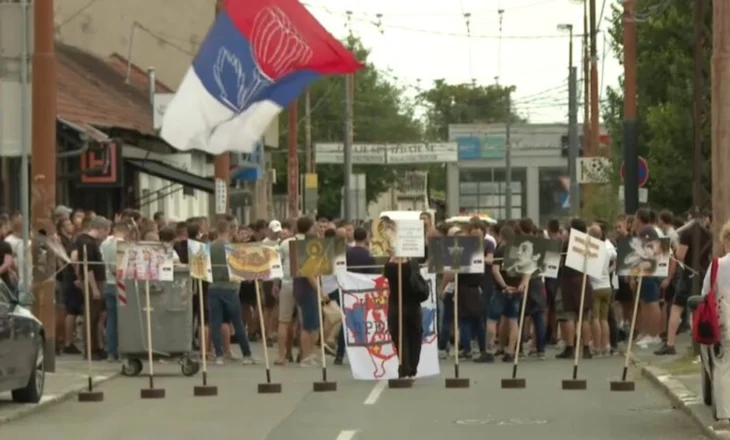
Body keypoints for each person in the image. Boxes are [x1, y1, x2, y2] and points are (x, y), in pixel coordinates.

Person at [208, 219, 256, 365]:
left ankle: (219, 355)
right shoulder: (233, 248)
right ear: (229, 230)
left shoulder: (209, 247)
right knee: (237, 322)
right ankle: (246, 354)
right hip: (231, 287)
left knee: (215, 322)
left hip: (214, 286)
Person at [700, 220, 730, 431]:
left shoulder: (717, 265)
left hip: (724, 324)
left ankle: (724, 416)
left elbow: (704, 296)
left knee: (722, 366)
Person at [383, 253, 423, 379]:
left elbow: (386, 273)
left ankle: (404, 367)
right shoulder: (413, 264)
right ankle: (412, 368)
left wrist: (393, 259)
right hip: (413, 306)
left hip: (397, 306)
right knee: (414, 338)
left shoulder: (389, 266)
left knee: (400, 339)